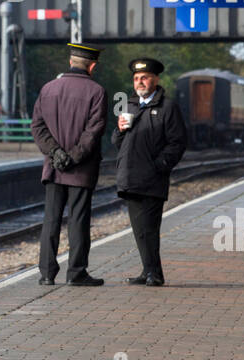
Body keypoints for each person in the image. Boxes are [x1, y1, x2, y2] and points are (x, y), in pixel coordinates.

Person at [31, 42, 108, 286]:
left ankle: (46, 274)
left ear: (70, 62)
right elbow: (93, 132)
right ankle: (76, 273)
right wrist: (73, 157)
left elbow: (37, 126)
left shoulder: (48, 89)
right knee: (78, 220)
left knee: (51, 220)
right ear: (92, 66)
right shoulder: (97, 92)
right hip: (81, 170)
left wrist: (55, 153)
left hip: (53, 168)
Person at [112, 57, 187, 286]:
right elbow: (117, 142)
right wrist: (119, 129)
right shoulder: (129, 105)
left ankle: (155, 273)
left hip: (153, 178)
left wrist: (160, 165)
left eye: (144, 77)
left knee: (150, 228)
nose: (139, 82)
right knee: (139, 230)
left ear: (155, 79)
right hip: (130, 176)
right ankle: (147, 271)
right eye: (136, 78)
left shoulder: (167, 107)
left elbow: (177, 142)